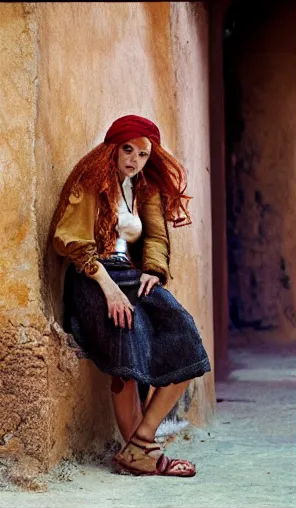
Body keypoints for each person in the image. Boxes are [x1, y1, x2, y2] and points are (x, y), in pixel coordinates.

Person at [49, 115, 211, 477]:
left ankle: (141, 443)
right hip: (93, 276)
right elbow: (70, 241)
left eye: (143, 153)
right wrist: (109, 291)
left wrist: (153, 271)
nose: (134, 159)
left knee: (185, 334)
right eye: (128, 149)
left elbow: (156, 238)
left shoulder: (145, 190)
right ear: (114, 146)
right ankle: (144, 453)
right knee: (126, 335)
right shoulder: (90, 181)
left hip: (132, 276)